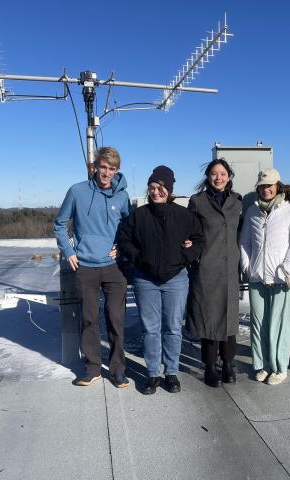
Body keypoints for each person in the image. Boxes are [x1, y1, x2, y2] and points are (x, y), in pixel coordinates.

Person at [117, 166, 205, 395]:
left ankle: (171, 372)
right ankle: (153, 373)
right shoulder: (139, 215)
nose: (156, 192)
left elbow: (198, 241)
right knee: (150, 329)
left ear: (169, 189)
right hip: (145, 280)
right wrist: (139, 258)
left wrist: (183, 257)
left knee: (173, 328)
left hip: (176, 279)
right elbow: (124, 240)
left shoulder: (185, 216)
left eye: (160, 187)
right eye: (152, 188)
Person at [54, 146, 131, 388]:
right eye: (104, 167)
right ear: (95, 166)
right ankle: (92, 368)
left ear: (117, 170)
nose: (107, 172)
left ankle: (118, 369)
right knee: (89, 319)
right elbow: (59, 224)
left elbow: (130, 229)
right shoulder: (77, 191)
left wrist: (122, 247)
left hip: (114, 268)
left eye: (112, 168)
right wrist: (68, 251)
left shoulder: (122, 196)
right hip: (85, 266)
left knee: (116, 319)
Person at [240, 168, 290, 385]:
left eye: (270, 185)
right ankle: (262, 364)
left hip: (282, 280)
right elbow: (245, 243)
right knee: (258, 323)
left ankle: (279, 367)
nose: (266, 189)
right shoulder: (252, 212)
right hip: (258, 277)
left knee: (278, 324)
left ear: (278, 186)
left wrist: (286, 268)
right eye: (262, 186)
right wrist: (248, 267)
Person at [186, 159, 243, 387]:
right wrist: (194, 254)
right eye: (213, 174)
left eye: (222, 173)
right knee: (208, 319)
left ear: (229, 176)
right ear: (207, 177)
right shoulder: (197, 201)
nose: (218, 178)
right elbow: (188, 232)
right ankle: (209, 366)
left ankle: (228, 363)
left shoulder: (237, 201)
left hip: (230, 269)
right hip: (207, 268)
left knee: (229, 319)